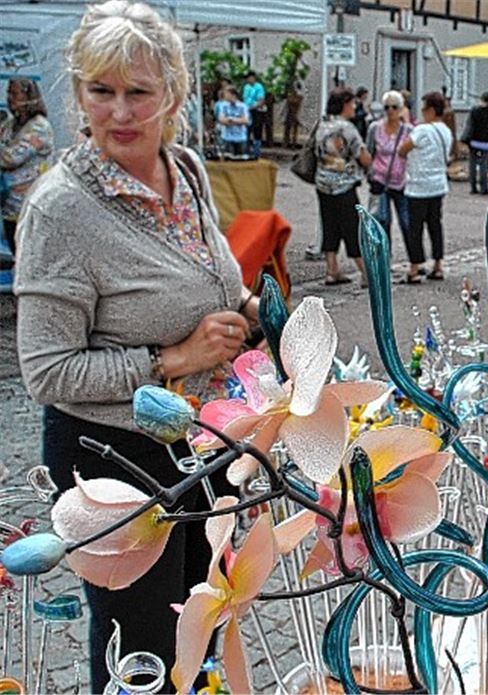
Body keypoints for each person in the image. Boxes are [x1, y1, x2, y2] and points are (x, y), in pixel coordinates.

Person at [14, 2, 261, 690]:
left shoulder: (184, 169)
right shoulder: (61, 210)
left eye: (138, 93)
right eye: (101, 91)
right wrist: (172, 359)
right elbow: (46, 369)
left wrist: (245, 307)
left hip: (204, 442)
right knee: (141, 646)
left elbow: (213, 273)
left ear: (173, 96)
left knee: (206, 616)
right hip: (113, 455)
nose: (119, 112)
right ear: (78, 93)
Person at [314, 86, 372, 286]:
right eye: (352, 103)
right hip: (344, 185)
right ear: (345, 104)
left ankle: (332, 270)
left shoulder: (322, 124)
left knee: (329, 226)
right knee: (352, 228)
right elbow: (362, 156)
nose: (355, 106)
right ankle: (365, 272)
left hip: (322, 183)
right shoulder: (347, 128)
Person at [398, 91, 452, 284]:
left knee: (415, 228)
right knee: (435, 225)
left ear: (430, 110)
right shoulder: (446, 130)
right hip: (438, 184)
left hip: (418, 186)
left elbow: (402, 150)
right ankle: (438, 264)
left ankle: (415, 266)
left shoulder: (422, 130)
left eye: (423, 109)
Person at [1, 78, 54, 256]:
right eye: (9, 93)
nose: (9, 98)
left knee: (30, 258)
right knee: (17, 253)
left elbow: (10, 158)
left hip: (30, 205)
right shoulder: (10, 124)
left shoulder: (39, 127)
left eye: (15, 94)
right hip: (10, 204)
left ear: (29, 97)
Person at [365, 90, 411, 242]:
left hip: (402, 183)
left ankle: (415, 262)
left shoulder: (408, 130)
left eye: (394, 107)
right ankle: (385, 260)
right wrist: (370, 175)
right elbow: (369, 152)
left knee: (407, 222)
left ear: (401, 108)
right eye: (387, 107)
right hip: (380, 181)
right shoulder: (375, 128)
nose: (390, 111)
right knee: (383, 221)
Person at [465, 91, 488, 195]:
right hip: (486, 141)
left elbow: (470, 125)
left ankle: (473, 187)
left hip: (474, 140)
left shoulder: (474, 111)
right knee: (483, 164)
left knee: (472, 164)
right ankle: (484, 188)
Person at [217, 85, 250, 156]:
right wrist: (238, 120)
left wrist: (231, 119)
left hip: (241, 138)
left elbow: (245, 120)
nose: (224, 95)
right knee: (227, 159)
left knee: (241, 159)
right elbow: (221, 119)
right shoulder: (223, 105)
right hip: (227, 138)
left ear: (233, 95)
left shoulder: (243, 106)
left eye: (226, 93)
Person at [242, 71, 267, 157]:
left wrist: (252, 107)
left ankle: (257, 152)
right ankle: (246, 151)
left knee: (257, 130)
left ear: (253, 78)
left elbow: (261, 100)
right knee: (247, 130)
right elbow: (244, 98)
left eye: (249, 78)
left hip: (256, 111)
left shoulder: (259, 87)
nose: (248, 80)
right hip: (247, 110)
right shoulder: (246, 87)